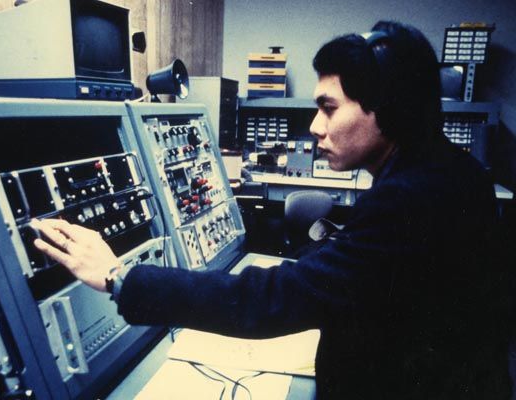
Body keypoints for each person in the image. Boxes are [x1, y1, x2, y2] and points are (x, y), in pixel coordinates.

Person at [32, 20, 511, 399]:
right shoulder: (453, 171)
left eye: (328, 107)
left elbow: (271, 300)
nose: (314, 125)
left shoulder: (410, 198)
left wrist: (119, 278)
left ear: (390, 110)